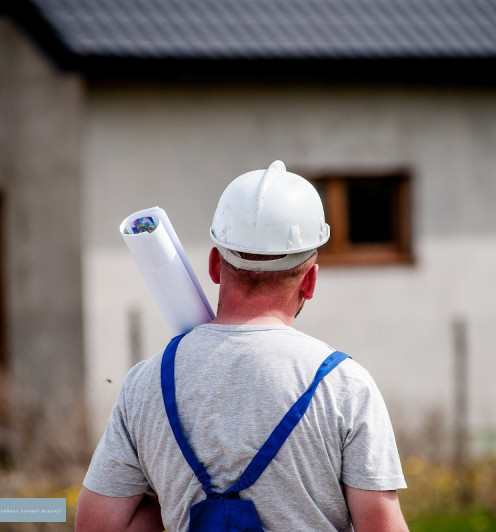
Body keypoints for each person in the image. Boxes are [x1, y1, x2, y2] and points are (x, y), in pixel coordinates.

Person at [76, 161, 408, 531]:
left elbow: (95, 526)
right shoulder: (345, 385)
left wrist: (162, 501)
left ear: (216, 265)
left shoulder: (146, 383)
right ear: (310, 281)